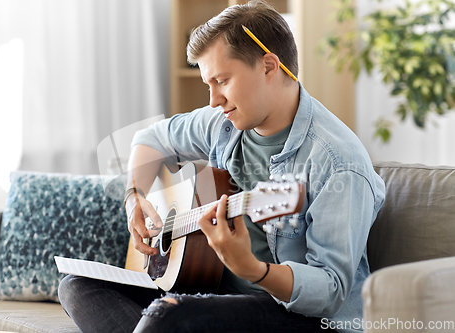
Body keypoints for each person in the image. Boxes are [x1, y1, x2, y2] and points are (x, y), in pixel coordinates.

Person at [58, 1, 385, 332]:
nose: (213, 100)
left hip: (297, 316)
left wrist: (252, 268)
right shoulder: (224, 123)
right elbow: (150, 139)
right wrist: (134, 197)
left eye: (223, 80)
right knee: (77, 285)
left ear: (269, 66)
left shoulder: (337, 162)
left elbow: (330, 290)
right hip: (212, 290)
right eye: (207, 84)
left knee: (169, 315)